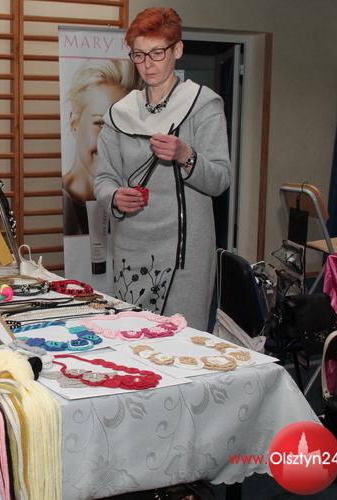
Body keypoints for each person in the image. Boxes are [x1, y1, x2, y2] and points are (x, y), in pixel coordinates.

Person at [94, 7, 231, 331]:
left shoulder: (203, 105)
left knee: (183, 344)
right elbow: (103, 179)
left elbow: (220, 179)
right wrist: (114, 197)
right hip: (132, 250)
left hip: (185, 256)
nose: (148, 64)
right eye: (139, 55)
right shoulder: (120, 113)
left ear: (177, 50)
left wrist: (186, 155)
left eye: (157, 52)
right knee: (134, 340)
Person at [63, 60, 138, 235]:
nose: (110, 139)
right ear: (74, 123)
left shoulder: (134, 197)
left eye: (121, 125)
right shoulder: (63, 204)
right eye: (100, 123)